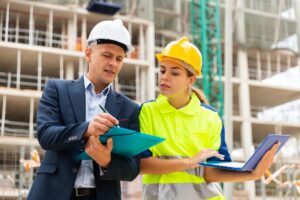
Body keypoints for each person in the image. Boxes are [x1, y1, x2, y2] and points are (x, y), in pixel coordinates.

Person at [139, 37, 279, 200]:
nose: (165, 77)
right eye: (162, 70)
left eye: (175, 72)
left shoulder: (211, 117)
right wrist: (189, 162)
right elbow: (142, 165)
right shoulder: (147, 111)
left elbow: (211, 173)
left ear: (191, 80)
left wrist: (252, 174)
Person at [28, 19, 140, 200]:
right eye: (107, 55)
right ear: (88, 54)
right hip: (53, 193)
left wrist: (106, 161)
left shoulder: (130, 108)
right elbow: (46, 135)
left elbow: (133, 169)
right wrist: (87, 129)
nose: (114, 63)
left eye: (119, 59)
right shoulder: (57, 89)